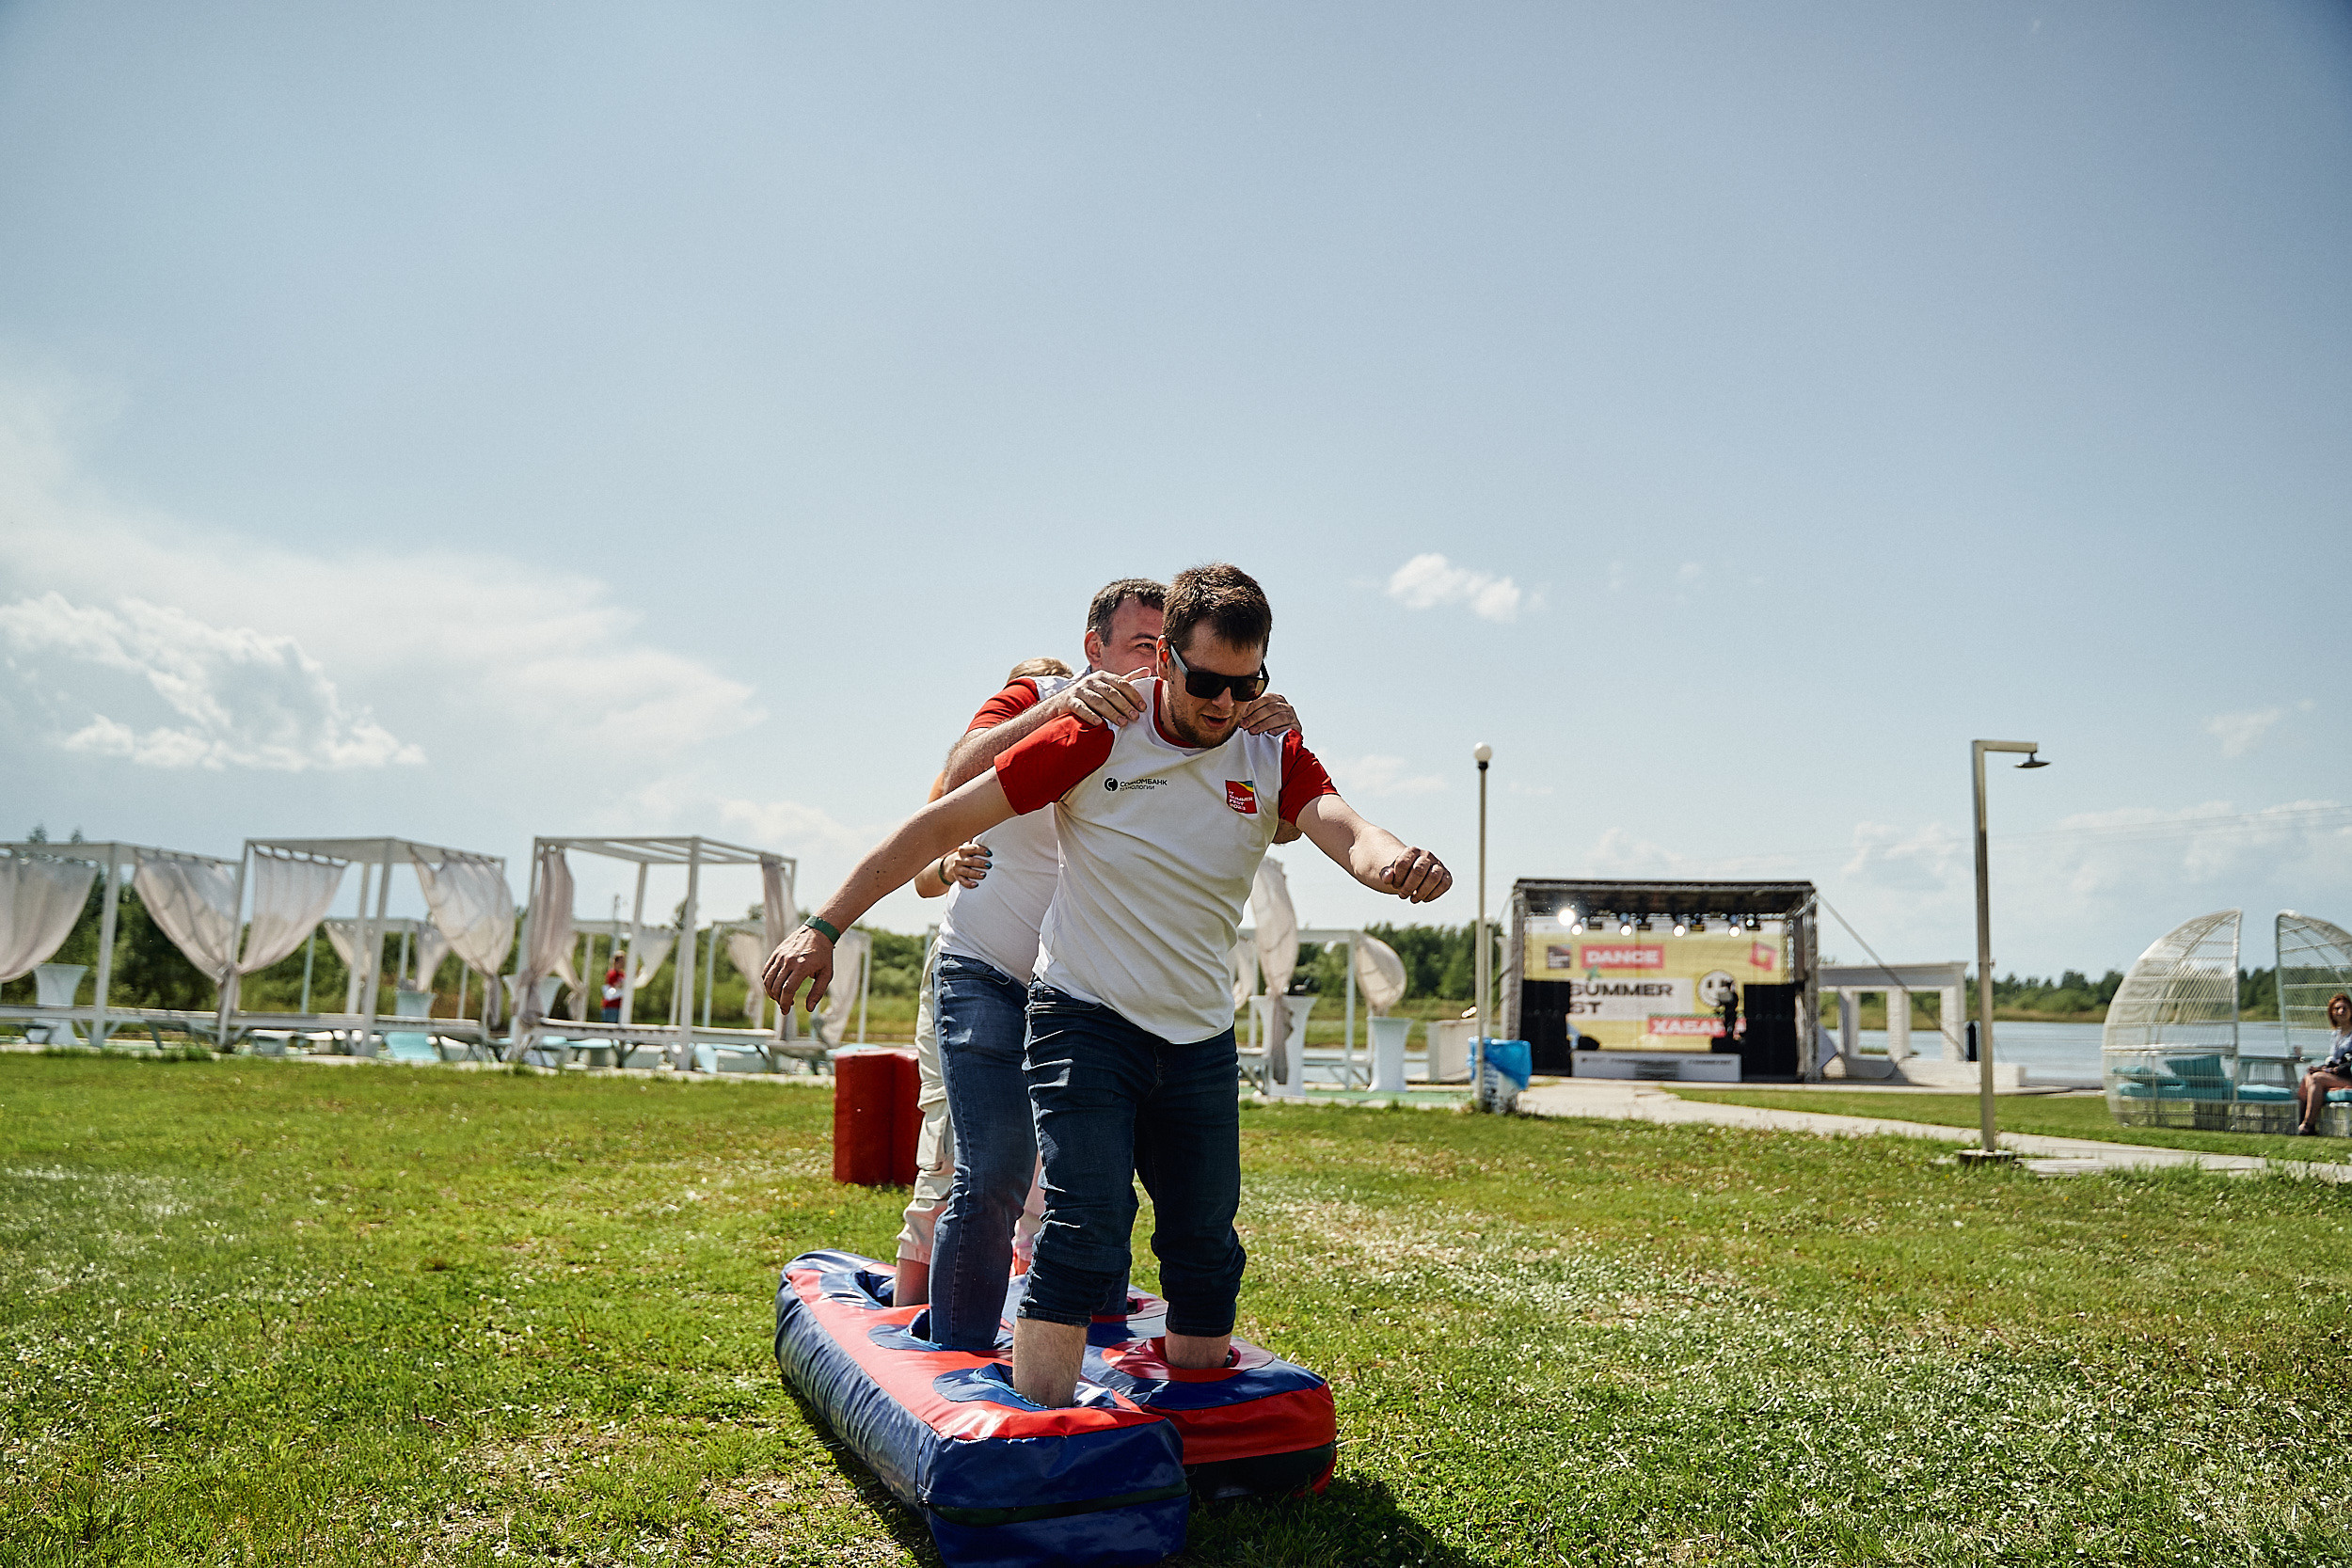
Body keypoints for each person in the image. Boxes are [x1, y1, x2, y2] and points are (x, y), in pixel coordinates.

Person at [767, 562, 1449, 1404]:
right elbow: (941, 818)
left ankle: (1204, 1422)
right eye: (1206, 681)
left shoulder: (1268, 744)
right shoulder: (1098, 732)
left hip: (1197, 1035)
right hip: (1083, 1017)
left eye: (1248, 683)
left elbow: (1340, 823)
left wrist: (1393, 863)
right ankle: (1037, 1426)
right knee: (1080, 1222)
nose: (1224, 704)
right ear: (1164, 659)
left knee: (1204, 1241)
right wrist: (825, 923)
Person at [893, 587, 1300, 1346]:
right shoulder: (1046, 700)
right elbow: (950, 786)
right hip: (986, 966)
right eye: (1142, 646)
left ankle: (1098, 1340)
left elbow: (1269, 819)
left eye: (1163, 649)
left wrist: (1263, 728)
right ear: (1095, 649)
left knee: (1090, 1184)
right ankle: (947, 1354)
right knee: (990, 1171)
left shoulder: (1171, 727)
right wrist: (1059, 708)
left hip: (1079, 987)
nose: (1154, 664)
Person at [2291, 991, 2352, 1135]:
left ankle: (2308, 1125)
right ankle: (2300, 1121)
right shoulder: (2336, 1034)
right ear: (2332, 1012)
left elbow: (2347, 1064)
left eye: (2345, 1008)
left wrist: (2330, 1071)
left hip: (2349, 1074)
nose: (2341, 1011)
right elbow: (2334, 1060)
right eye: (2337, 1008)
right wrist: (2321, 1068)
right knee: (2308, 1077)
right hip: (2339, 1074)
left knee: (2317, 1079)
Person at [601, 954, 625, 1023]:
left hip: (619, 1006)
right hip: (611, 1007)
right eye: (622, 961)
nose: (624, 963)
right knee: (609, 1029)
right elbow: (614, 986)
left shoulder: (622, 974)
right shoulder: (612, 974)